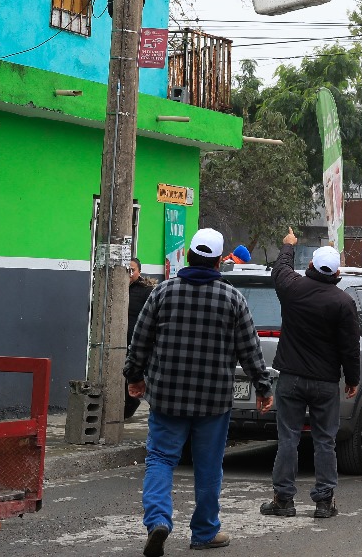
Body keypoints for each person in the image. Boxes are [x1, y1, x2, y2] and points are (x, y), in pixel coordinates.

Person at [125, 228, 273, 555]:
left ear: (189, 256)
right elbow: (250, 351)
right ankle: (205, 532)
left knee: (161, 459)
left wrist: (134, 377)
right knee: (208, 466)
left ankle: (159, 521)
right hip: (214, 401)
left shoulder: (163, 293)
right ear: (219, 261)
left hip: (166, 397)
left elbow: (140, 341)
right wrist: (263, 387)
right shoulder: (233, 299)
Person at [259, 228, 360, 520]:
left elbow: (280, 270)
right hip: (326, 383)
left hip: (291, 378)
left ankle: (283, 500)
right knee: (324, 441)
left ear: (312, 266)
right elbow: (349, 347)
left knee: (288, 438)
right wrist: (352, 379)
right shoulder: (343, 302)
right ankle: (324, 502)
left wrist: (288, 245)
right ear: (336, 272)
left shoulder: (293, 288)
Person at [124, 258, 155, 420]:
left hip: (135, 343)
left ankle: (130, 404)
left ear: (139, 272)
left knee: (132, 376)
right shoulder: (114, 287)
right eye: (126, 270)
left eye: (132, 270)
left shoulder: (145, 291)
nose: (129, 274)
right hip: (115, 343)